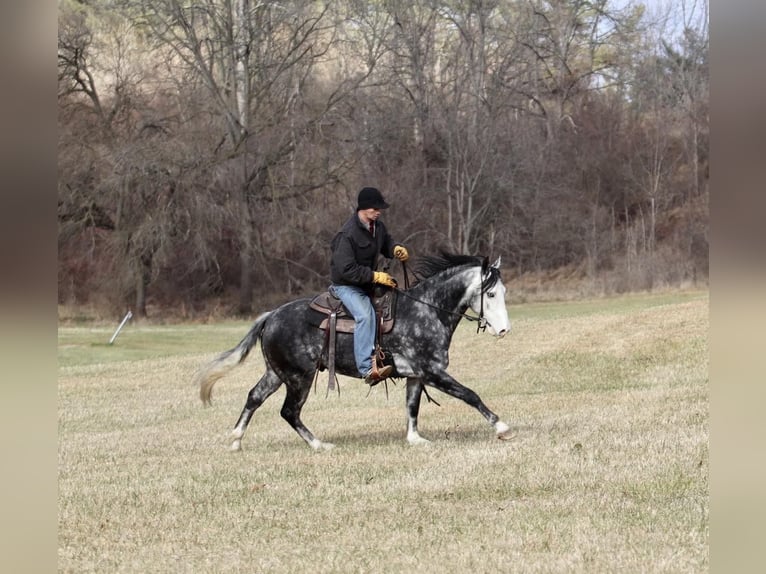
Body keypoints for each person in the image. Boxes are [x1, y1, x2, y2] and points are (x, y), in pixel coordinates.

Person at [330, 187, 409, 384]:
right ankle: (367, 369)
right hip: (346, 286)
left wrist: (395, 249)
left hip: (367, 284)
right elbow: (346, 270)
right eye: (376, 208)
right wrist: (376, 276)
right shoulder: (346, 234)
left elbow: (386, 243)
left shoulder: (377, 227)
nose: (379, 211)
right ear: (364, 208)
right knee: (365, 316)